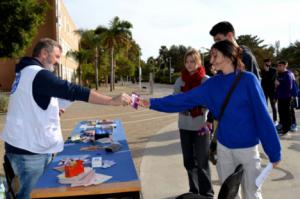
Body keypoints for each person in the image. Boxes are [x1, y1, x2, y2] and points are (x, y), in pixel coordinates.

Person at [139, 40, 281, 199]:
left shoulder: (249, 80)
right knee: (229, 195)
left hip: (247, 150)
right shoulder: (212, 84)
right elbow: (183, 100)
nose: (211, 60)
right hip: (223, 149)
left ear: (229, 56)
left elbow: (262, 116)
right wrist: (150, 103)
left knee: (252, 193)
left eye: (215, 56)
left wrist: (274, 151)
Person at [0, 38, 132, 199]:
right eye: (56, 57)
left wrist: (51, 110)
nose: (57, 62)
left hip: (27, 147)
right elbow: (72, 90)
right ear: (43, 53)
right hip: (29, 152)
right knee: (32, 195)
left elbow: (31, 103)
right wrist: (111, 101)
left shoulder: (25, 73)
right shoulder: (38, 73)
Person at [174, 48, 213, 198]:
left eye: (193, 61)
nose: (190, 65)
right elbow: (174, 101)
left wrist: (199, 106)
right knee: (189, 161)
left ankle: (207, 193)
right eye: (187, 62)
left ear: (198, 62)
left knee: (202, 161)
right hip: (184, 125)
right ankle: (194, 191)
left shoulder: (205, 80)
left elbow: (211, 102)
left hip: (201, 126)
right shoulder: (180, 81)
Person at [275, 60, 294, 135]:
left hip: (286, 97)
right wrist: (276, 96)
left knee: (286, 114)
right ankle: (282, 126)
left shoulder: (288, 74)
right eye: (278, 65)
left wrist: (279, 83)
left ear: (284, 66)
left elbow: (289, 87)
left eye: (280, 66)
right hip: (280, 97)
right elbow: (277, 87)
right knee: (281, 113)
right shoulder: (279, 74)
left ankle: (286, 129)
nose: (278, 67)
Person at [261, 58, 278, 125]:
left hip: (272, 90)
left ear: (270, 63)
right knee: (265, 105)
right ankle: (265, 119)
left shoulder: (273, 70)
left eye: (268, 62)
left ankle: (275, 120)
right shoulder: (263, 70)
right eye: (265, 62)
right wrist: (265, 71)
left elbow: (271, 79)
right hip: (264, 90)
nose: (267, 64)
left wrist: (267, 71)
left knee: (273, 105)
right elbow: (263, 80)